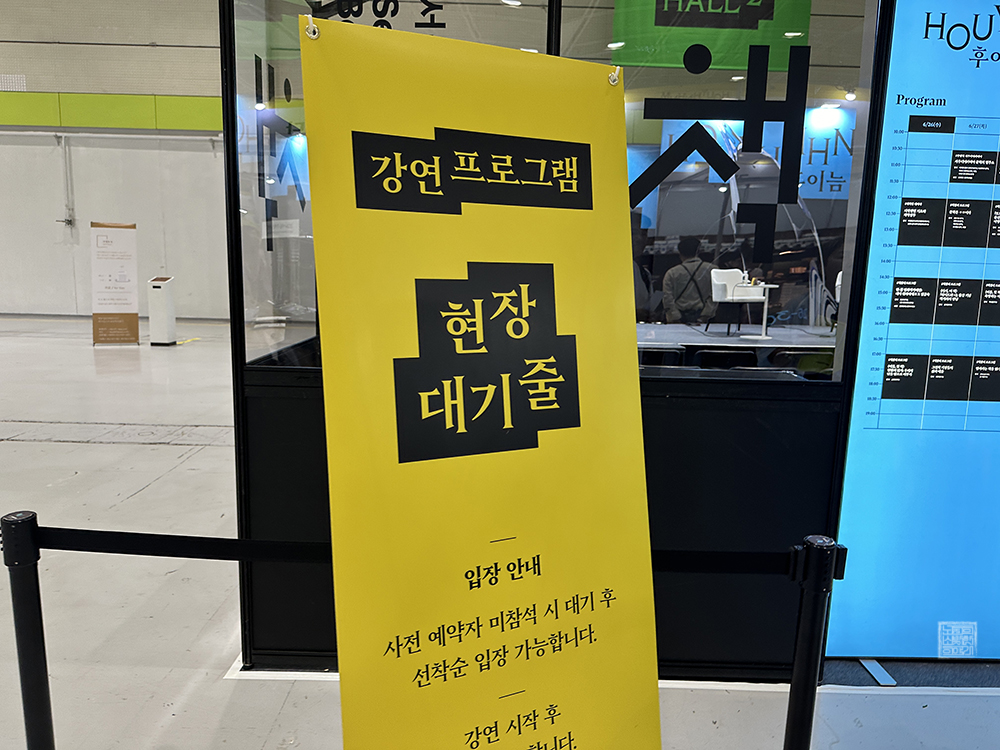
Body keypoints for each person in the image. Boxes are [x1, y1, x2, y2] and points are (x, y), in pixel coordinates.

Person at [661, 237, 717, 324]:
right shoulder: (712, 270)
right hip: (704, 317)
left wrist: (675, 317)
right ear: (699, 251)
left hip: (679, 317)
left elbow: (667, 298)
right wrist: (706, 315)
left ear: (680, 253)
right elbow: (716, 295)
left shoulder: (672, 273)